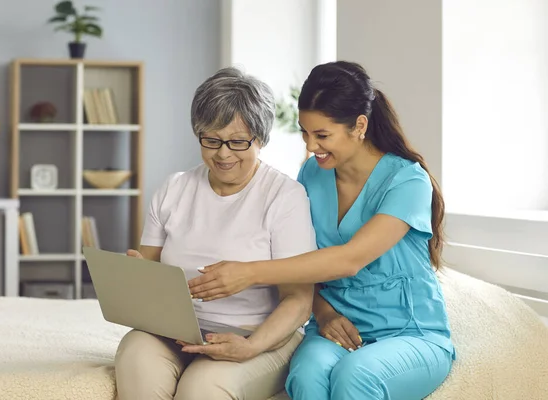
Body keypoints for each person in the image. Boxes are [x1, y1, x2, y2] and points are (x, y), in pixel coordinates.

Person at [188, 61, 456, 400]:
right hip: (334, 328)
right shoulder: (312, 175)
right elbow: (303, 262)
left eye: (322, 135)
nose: (311, 146)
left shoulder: (408, 181)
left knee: (355, 375)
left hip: (410, 334)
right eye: (304, 132)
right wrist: (324, 312)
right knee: (306, 378)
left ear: (359, 126)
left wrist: (249, 273)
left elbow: (349, 260)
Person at [114, 67, 317, 400]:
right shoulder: (173, 189)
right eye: (211, 140)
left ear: (261, 139)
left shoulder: (285, 197)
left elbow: (298, 301)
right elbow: (147, 269)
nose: (223, 154)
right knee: (136, 360)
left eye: (238, 142)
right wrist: (136, 277)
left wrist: (252, 347)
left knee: (201, 389)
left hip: (258, 335)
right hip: (173, 332)